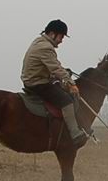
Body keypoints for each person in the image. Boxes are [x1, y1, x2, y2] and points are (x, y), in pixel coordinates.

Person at [21, 19, 89, 147]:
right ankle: (75, 134)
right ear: (52, 34)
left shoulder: (39, 42)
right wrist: (71, 83)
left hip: (37, 78)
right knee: (67, 101)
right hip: (38, 83)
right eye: (61, 36)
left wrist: (63, 73)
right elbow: (55, 68)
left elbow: (52, 66)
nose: (62, 40)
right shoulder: (46, 47)